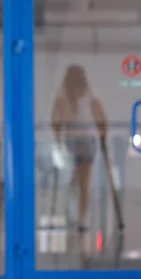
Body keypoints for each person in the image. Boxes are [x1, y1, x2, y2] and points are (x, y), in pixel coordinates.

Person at [51, 64, 107, 231]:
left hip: (74, 140)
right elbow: (101, 117)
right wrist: (102, 134)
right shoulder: (89, 94)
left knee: (77, 178)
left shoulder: (63, 94)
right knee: (83, 180)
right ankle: (80, 217)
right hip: (85, 140)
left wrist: (58, 138)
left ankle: (73, 211)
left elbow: (55, 120)